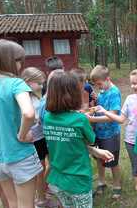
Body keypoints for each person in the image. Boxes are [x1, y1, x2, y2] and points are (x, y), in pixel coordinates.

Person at [43, 71, 113, 208]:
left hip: (57, 179)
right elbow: (90, 140)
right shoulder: (80, 119)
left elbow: (66, 142)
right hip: (78, 179)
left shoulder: (47, 118)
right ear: (73, 94)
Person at [0, 39, 43, 208]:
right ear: (9, 61)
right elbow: (29, 113)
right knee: (25, 205)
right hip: (19, 155)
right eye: (19, 60)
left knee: (12, 203)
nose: (21, 64)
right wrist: (22, 135)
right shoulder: (16, 83)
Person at [97, 68, 137, 207]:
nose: (132, 86)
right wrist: (105, 112)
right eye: (131, 83)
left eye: (135, 83)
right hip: (132, 140)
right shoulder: (130, 99)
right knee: (136, 168)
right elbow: (121, 119)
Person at [87, 65, 122, 199]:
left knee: (112, 160)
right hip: (99, 133)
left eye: (100, 84)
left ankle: (117, 185)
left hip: (110, 134)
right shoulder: (102, 92)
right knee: (99, 159)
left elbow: (112, 114)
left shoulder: (114, 92)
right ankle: (101, 182)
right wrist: (94, 109)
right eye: (96, 85)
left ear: (107, 79)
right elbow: (102, 109)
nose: (98, 87)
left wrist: (92, 120)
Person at [21, 67, 48, 207]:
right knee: (39, 169)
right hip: (33, 140)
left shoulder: (35, 95)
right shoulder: (22, 97)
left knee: (43, 167)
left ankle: (43, 193)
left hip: (42, 136)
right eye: (39, 82)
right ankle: (40, 198)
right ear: (28, 81)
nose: (41, 85)